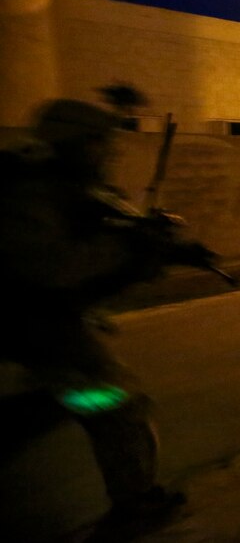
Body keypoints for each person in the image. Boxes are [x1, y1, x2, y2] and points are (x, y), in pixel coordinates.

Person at [0, 99, 209, 533]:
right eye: (99, 143)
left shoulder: (70, 186)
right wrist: (129, 249)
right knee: (119, 406)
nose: (107, 152)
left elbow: (113, 240)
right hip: (36, 323)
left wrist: (167, 250)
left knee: (54, 403)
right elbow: (52, 265)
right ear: (74, 142)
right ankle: (135, 505)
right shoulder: (32, 192)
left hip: (45, 322)